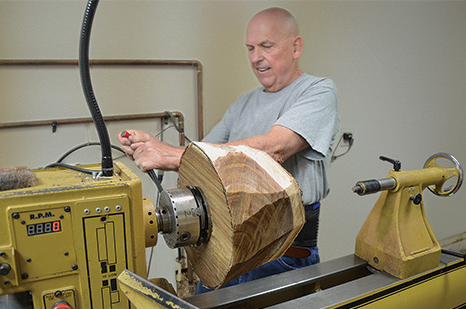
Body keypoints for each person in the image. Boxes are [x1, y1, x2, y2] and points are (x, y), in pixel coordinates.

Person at [118, 7, 339, 293]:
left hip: (282, 257)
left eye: (266, 46)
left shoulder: (317, 91)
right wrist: (152, 146)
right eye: (250, 48)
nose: (256, 57)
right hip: (224, 250)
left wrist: (169, 155)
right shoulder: (243, 104)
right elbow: (201, 156)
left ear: (295, 46)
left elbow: (274, 149)